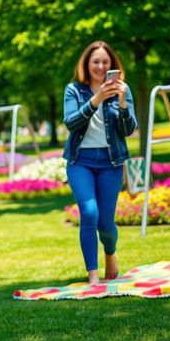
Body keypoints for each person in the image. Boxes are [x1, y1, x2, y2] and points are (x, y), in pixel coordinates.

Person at [63, 40, 138, 285]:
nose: (100, 66)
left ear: (112, 65)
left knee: (106, 222)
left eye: (105, 62)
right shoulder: (73, 90)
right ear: (87, 64)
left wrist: (123, 101)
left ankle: (110, 253)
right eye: (95, 61)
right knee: (89, 213)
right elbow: (71, 123)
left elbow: (128, 130)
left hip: (110, 162)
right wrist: (96, 99)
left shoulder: (123, 90)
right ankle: (93, 275)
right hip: (80, 161)